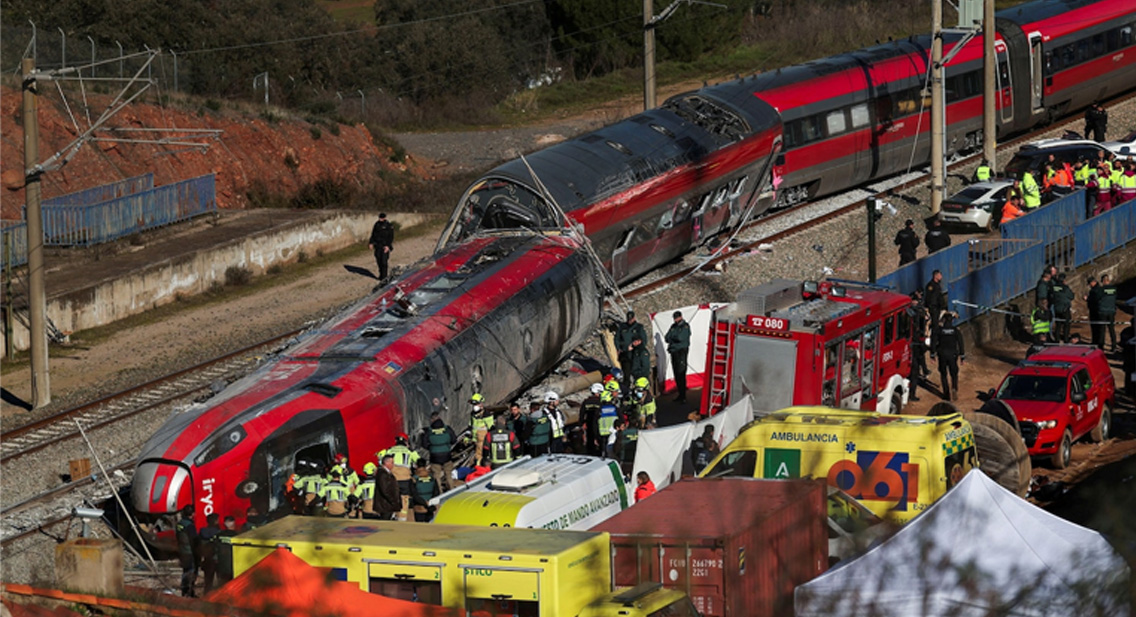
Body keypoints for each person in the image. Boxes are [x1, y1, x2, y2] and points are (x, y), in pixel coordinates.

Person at [931, 313, 965, 401]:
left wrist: (932, 355)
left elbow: (933, 342)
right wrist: (962, 357)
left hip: (942, 355)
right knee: (954, 373)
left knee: (943, 374)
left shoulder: (939, 330)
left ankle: (946, 394)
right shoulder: (955, 330)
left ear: (944, 320)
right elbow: (961, 343)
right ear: (952, 320)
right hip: (953, 355)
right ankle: (954, 388)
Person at [424, 412, 456, 492]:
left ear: (432, 420)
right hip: (446, 455)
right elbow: (454, 440)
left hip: (434, 456)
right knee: (448, 474)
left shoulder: (429, 431)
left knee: (436, 475)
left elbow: (424, 443)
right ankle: (452, 490)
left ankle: (439, 492)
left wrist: (431, 448)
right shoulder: (447, 429)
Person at [615, 312, 648, 389]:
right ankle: (626, 389)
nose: (630, 321)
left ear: (634, 318)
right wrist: (619, 348)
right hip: (625, 353)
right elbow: (617, 339)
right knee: (626, 374)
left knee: (636, 372)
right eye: (629, 319)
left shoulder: (639, 327)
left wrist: (636, 346)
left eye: (631, 319)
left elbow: (644, 340)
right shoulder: (622, 327)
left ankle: (639, 388)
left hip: (635, 354)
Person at [665, 310, 692, 403]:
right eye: (674, 318)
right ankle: (680, 394)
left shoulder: (685, 326)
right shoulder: (673, 326)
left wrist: (672, 338)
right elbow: (666, 337)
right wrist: (674, 338)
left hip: (681, 351)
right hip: (674, 351)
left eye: (676, 318)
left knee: (681, 373)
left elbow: (680, 338)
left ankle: (683, 396)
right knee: (676, 373)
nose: (675, 320)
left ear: (681, 317)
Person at [907, 291, 929, 402]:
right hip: (915, 345)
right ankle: (912, 394)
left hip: (911, 344)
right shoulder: (917, 313)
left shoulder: (907, 311)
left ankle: (924, 370)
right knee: (914, 372)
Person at [175, 505, 199, 597]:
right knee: (190, 571)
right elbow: (194, 540)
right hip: (189, 552)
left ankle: (184, 591)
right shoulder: (189, 526)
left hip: (182, 551)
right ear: (192, 514)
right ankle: (189, 592)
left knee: (185, 571)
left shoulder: (179, 524)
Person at [368, 212, 395, 282]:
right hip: (378, 245)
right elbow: (373, 234)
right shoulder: (377, 224)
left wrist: (387, 246)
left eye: (382, 218)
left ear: (385, 218)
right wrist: (371, 243)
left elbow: (391, 237)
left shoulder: (389, 225)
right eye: (380, 218)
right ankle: (381, 275)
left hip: (385, 246)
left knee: (384, 261)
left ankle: (384, 277)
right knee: (378, 260)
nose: (380, 219)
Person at [198, 513, 221, 594]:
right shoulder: (218, 532)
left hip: (207, 559)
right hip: (217, 559)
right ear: (216, 521)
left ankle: (206, 597)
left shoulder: (202, 531)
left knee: (208, 583)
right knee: (220, 582)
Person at [1050, 273, 1074, 343]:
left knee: (1058, 324)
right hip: (1064, 308)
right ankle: (1066, 339)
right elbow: (1071, 296)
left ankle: (1057, 339)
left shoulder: (1054, 287)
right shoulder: (1065, 288)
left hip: (1056, 308)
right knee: (1066, 324)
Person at [376, 455, 402, 520]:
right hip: (386, 505)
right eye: (392, 462)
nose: (393, 465)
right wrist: (393, 501)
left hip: (388, 505)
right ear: (386, 463)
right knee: (386, 522)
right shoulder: (383, 474)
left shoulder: (388, 473)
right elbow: (385, 490)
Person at [581, 383, 604, 456]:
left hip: (589, 426)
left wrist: (582, 423)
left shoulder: (586, 402)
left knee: (590, 444)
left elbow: (581, 414)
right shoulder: (600, 403)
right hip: (598, 426)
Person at [215, 516, 239, 585]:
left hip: (221, 563)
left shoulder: (219, 535)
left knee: (222, 583)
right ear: (234, 524)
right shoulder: (237, 536)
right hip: (232, 563)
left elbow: (215, 547)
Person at [1098, 274, 1118, 351]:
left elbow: (1097, 298)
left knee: (1102, 330)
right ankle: (1114, 346)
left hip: (1103, 311)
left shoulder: (1101, 289)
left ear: (1103, 281)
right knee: (1111, 329)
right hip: (1111, 311)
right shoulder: (1114, 289)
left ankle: (1101, 346)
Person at [1086, 276, 1104, 349]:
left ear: (1094, 282)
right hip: (1095, 310)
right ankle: (1096, 342)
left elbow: (1095, 300)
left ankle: (1098, 343)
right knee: (1096, 328)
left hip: (1096, 311)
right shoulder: (1097, 289)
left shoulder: (1096, 290)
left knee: (1098, 328)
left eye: (1090, 283)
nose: (1089, 285)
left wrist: (1088, 299)